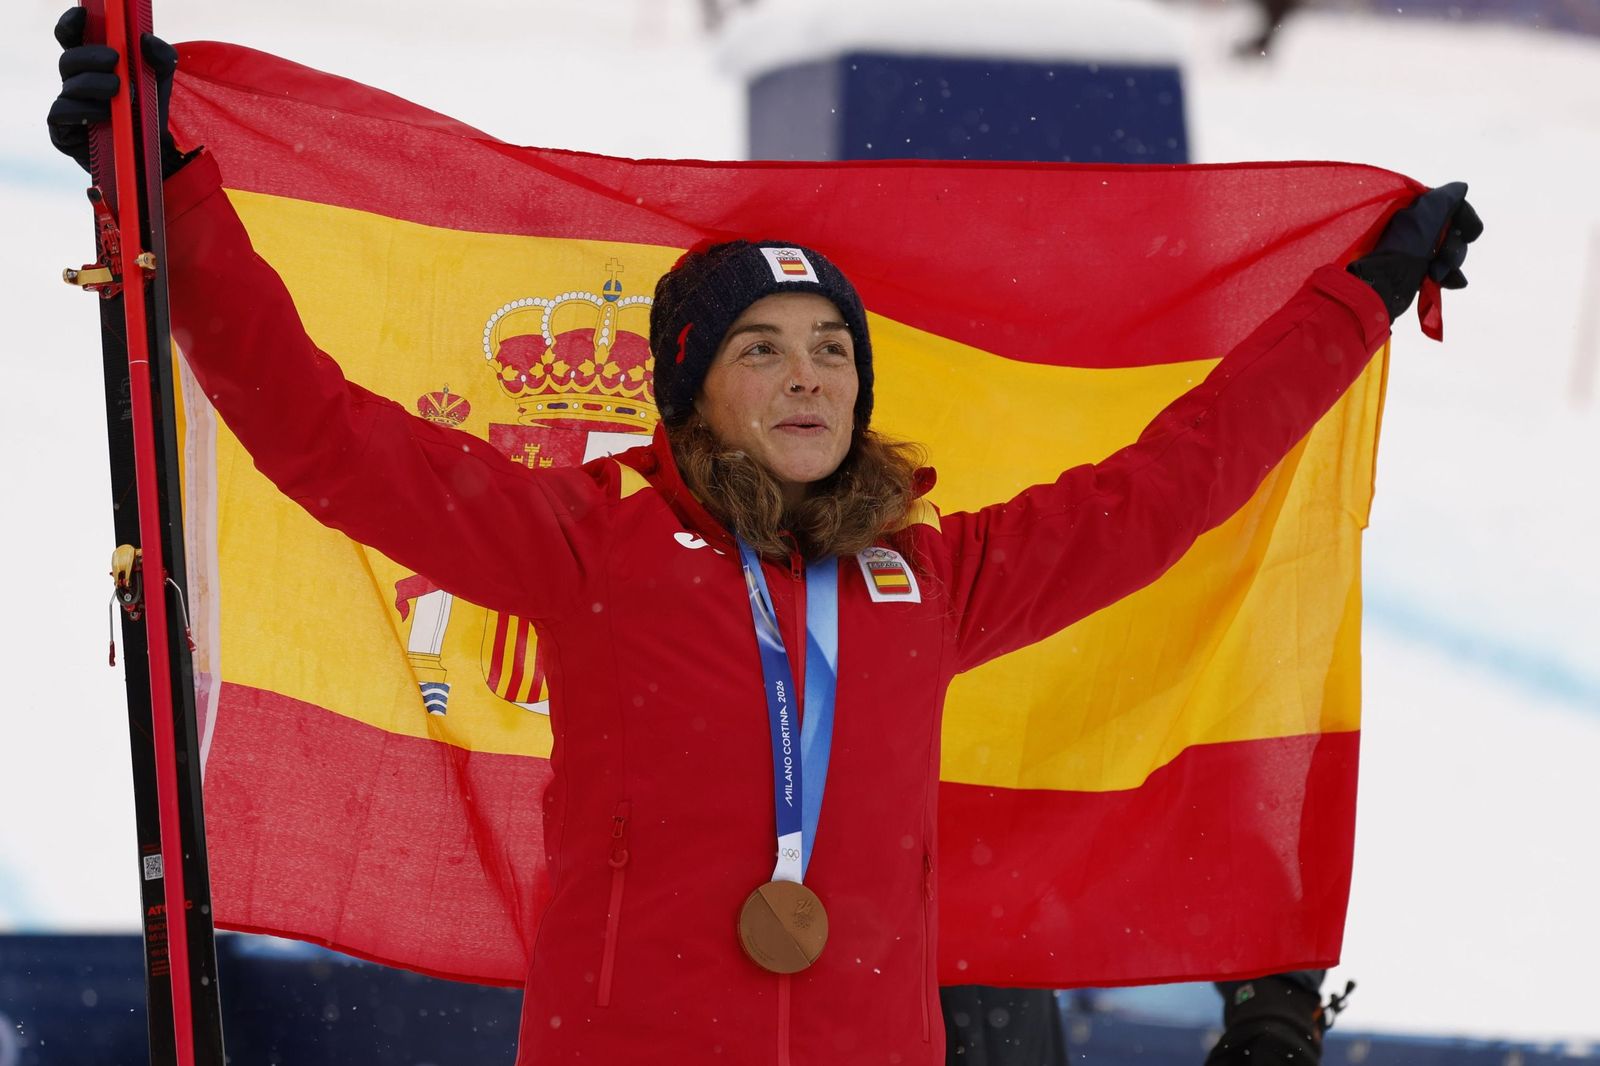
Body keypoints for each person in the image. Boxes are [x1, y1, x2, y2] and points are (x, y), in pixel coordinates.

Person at [48, 15, 1480, 1066]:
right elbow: (319, 431)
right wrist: (169, 186)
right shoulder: (587, 543)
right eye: (761, 348)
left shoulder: (923, 577)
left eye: (830, 352)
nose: (808, 377)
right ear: (687, 390)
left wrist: (1352, 302)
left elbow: (1173, 484)